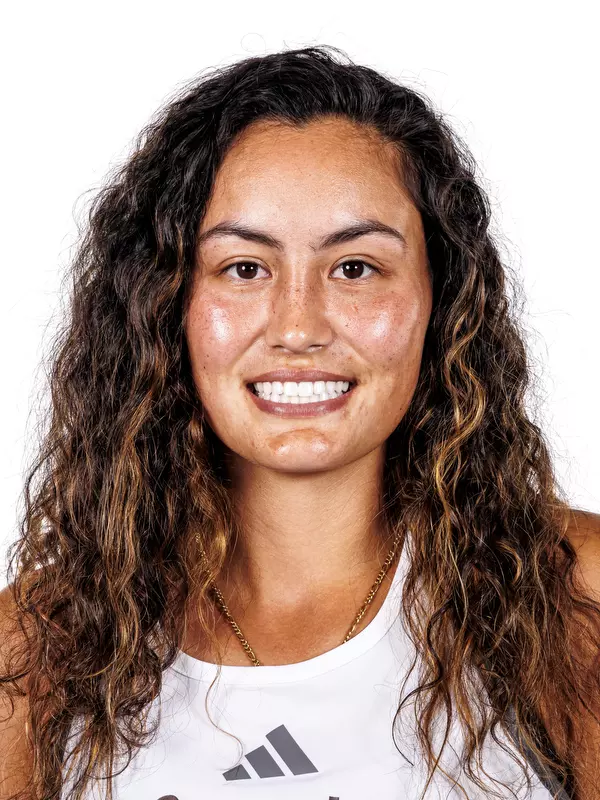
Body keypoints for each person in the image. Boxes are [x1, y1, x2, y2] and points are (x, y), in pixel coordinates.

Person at [1, 44, 599, 800]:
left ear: (441, 301)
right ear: (165, 305)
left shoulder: (570, 596)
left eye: (355, 268)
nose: (298, 327)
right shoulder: (35, 651)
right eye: (244, 269)